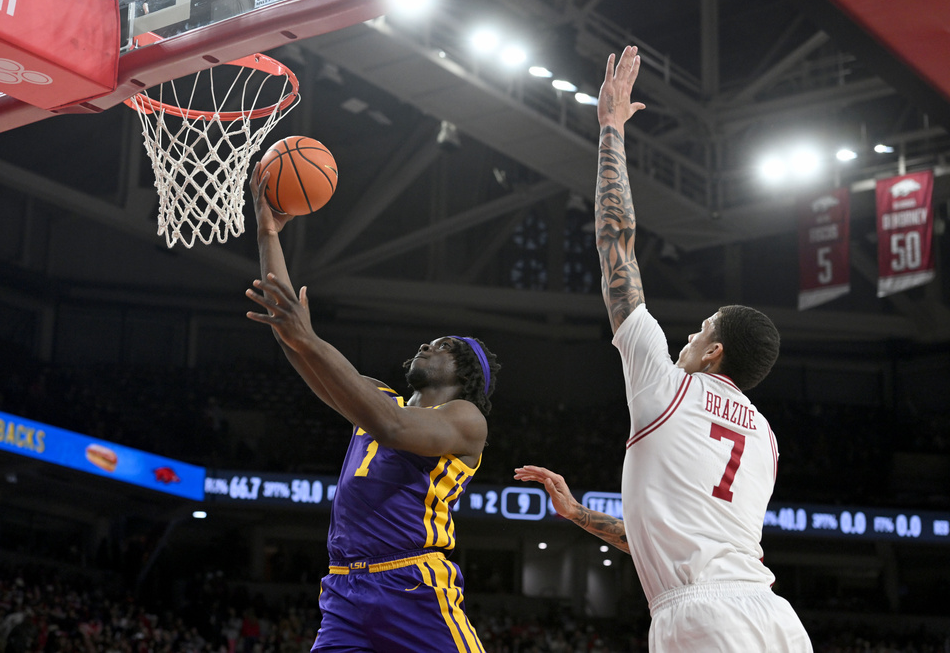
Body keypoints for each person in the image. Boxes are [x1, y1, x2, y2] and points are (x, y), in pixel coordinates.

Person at [517, 46, 812, 652]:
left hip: (703, 621)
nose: (686, 336)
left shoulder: (666, 384)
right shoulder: (766, 440)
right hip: (775, 620)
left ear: (714, 353)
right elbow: (674, 536)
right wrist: (578, 515)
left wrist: (609, 131)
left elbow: (615, 243)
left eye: (699, 330)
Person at [244, 172, 500, 653]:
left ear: (464, 374)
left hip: (412, 584)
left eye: (441, 347)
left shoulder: (466, 420)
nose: (426, 344)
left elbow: (392, 427)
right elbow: (295, 341)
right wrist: (268, 235)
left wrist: (310, 338)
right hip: (345, 588)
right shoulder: (379, 397)